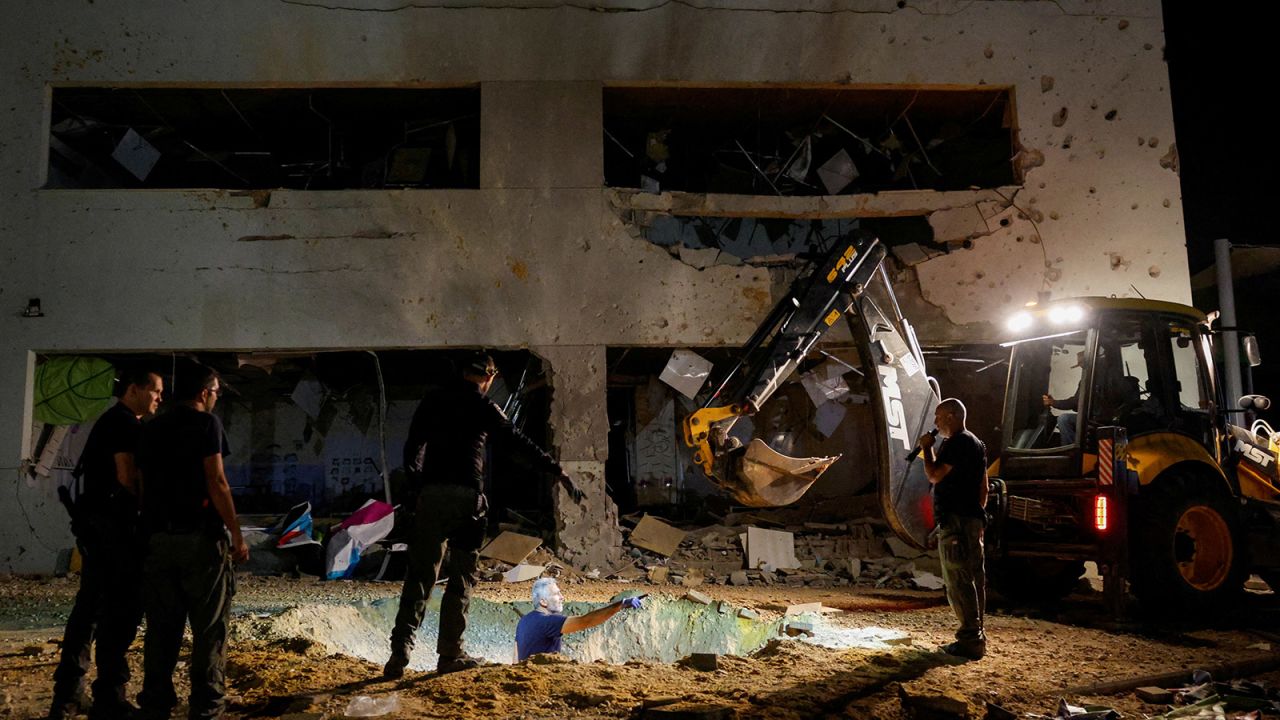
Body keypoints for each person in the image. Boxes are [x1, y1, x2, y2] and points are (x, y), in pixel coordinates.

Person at [383, 351, 585, 678]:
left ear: (462, 371)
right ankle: (450, 654)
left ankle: (399, 653)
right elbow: (518, 442)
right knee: (461, 580)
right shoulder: (485, 407)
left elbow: (411, 449)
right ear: (489, 378)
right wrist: (557, 470)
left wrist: (417, 488)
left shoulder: (433, 400)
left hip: (433, 496)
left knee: (420, 577)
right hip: (468, 500)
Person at [48, 368, 163, 720]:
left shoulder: (111, 420)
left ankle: (68, 697)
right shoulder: (125, 424)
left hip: (98, 529)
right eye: (155, 391)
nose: (160, 398)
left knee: (88, 612)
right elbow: (127, 477)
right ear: (133, 390)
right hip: (115, 533)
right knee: (118, 614)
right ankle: (108, 699)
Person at [136, 363, 248, 720]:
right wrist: (237, 533)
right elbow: (217, 482)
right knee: (209, 630)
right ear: (204, 393)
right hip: (199, 540)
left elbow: (140, 481)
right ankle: (207, 708)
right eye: (215, 393)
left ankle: (156, 705)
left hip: (158, 540)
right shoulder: (207, 424)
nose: (215, 398)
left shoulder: (152, 428)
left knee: (161, 631)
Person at [917, 398, 988, 661]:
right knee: (975, 579)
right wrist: (977, 518)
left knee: (959, 581)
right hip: (970, 520)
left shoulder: (956, 443)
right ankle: (977, 635)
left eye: (938, 417)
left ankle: (969, 640)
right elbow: (984, 487)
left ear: (951, 416)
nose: (935, 423)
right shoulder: (978, 444)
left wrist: (927, 449)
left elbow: (934, 475)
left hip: (956, 522)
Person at [515, 578, 643, 661]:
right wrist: (620, 604)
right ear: (543, 601)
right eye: (556, 594)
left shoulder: (523, 621)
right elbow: (585, 621)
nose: (562, 597)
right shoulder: (548, 621)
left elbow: (515, 657)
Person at [1042, 350, 1085, 445]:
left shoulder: (1089, 380)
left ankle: (1070, 450)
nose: (1081, 367)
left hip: (1092, 419)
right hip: (1092, 417)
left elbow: (1076, 402)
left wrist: (1054, 403)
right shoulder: (1091, 378)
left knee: (1064, 419)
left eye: (1082, 364)